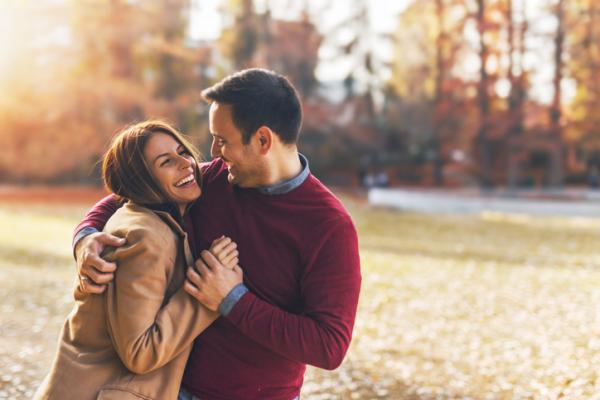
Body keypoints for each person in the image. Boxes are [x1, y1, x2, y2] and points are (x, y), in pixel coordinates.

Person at [74, 68, 362, 400]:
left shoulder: (328, 226)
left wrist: (232, 299)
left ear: (263, 140)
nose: (212, 152)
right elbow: (127, 194)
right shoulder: (213, 181)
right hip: (170, 389)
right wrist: (85, 238)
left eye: (223, 140)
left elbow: (329, 346)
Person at [35, 121, 241, 400]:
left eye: (182, 151)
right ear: (140, 180)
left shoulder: (148, 220)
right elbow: (139, 353)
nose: (186, 164)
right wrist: (206, 293)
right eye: (166, 162)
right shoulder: (145, 238)